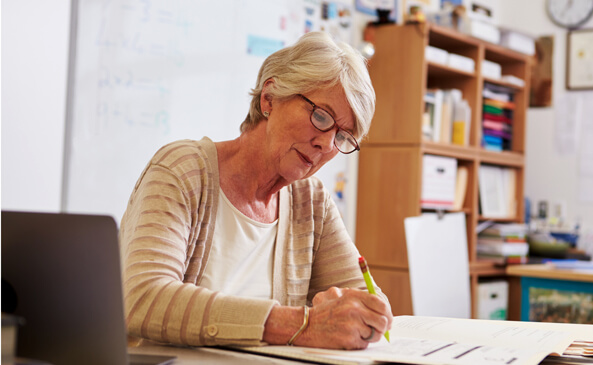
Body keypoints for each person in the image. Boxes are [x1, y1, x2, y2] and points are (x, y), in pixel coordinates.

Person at [119, 31, 393, 350]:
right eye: (321, 117)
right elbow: (143, 298)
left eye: (343, 137)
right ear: (269, 99)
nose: (325, 143)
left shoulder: (311, 202)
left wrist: (368, 315)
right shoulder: (182, 170)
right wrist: (301, 325)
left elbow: (364, 305)